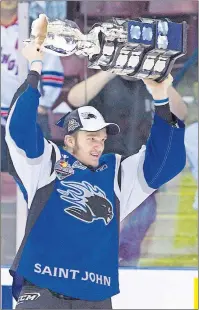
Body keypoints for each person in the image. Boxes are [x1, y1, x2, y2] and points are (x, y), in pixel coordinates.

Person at [5, 16, 186, 309]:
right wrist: (35, 67)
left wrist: (161, 98)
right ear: (69, 140)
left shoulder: (116, 174)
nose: (99, 143)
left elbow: (166, 161)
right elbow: (19, 130)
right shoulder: (46, 163)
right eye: (90, 137)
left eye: (101, 137)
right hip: (43, 291)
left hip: (96, 296)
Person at [67, 66, 187, 266]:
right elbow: (74, 98)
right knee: (95, 245)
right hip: (102, 177)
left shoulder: (149, 83)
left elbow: (181, 112)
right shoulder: (104, 83)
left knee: (130, 249)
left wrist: (157, 78)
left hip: (140, 177)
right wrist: (112, 68)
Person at [1, 0, 64, 171]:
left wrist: (43, 103)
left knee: (38, 174)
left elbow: (53, 69)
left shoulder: (34, 30)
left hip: (30, 114)